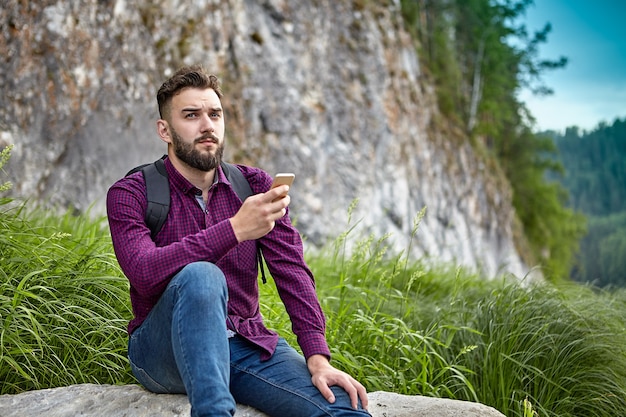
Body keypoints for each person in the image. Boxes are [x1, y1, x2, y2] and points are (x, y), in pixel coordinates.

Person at [106, 65, 370, 417]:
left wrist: (318, 359)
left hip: (244, 343)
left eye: (214, 114)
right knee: (202, 276)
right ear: (164, 130)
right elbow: (142, 271)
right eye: (191, 115)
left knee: (344, 408)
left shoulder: (255, 186)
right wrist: (234, 229)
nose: (207, 125)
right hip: (162, 349)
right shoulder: (131, 192)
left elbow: (292, 272)